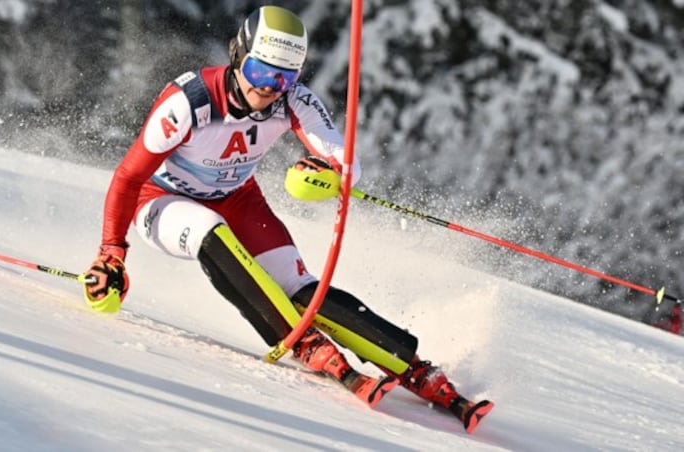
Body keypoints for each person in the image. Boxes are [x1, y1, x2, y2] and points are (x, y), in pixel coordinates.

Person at [84, 5, 492, 433]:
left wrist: (334, 172)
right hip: (162, 201)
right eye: (261, 73)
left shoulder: (292, 99)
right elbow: (129, 176)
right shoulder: (191, 102)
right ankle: (305, 343)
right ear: (239, 55)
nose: (269, 89)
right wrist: (111, 253)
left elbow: (343, 157)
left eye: (283, 78)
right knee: (210, 231)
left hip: (238, 199)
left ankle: (413, 367)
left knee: (299, 288)